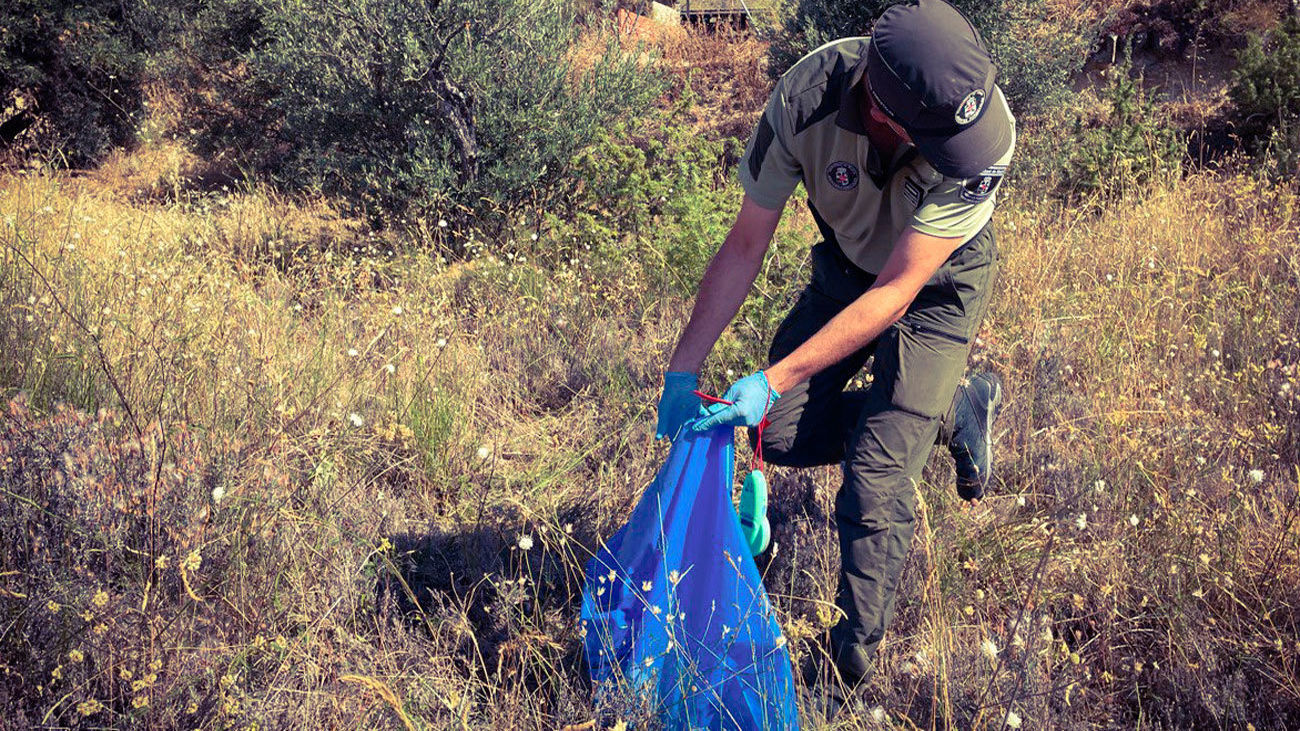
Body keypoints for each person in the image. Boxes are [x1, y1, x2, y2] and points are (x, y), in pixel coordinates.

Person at [652, 0, 1013, 702]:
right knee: (769, 428)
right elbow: (745, 243)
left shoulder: (983, 133)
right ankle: (951, 411)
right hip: (846, 271)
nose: (959, 139)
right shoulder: (804, 99)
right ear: (882, 104)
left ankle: (850, 658)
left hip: (934, 287)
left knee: (877, 473)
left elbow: (900, 291)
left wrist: (775, 372)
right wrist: (682, 368)